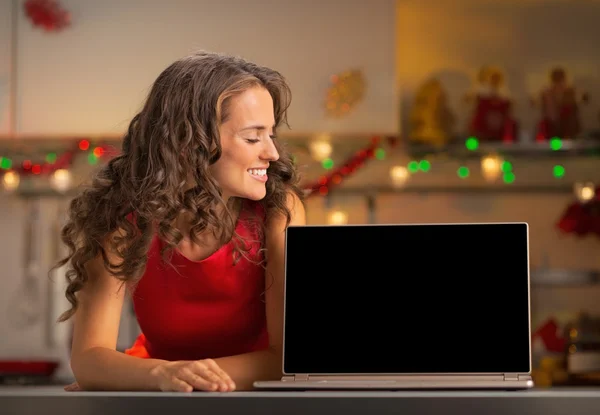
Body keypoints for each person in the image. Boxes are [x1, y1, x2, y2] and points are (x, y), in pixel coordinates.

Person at [53, 50, 306, 392]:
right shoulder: (122, 219)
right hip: (165, 396)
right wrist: (159, 375)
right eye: (252, 137)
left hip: (256, 398)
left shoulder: (278, 210)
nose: (272, 153)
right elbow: (88, 358)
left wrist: (170, 375)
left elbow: (286, 359)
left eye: (270, 134)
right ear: (189, 142)